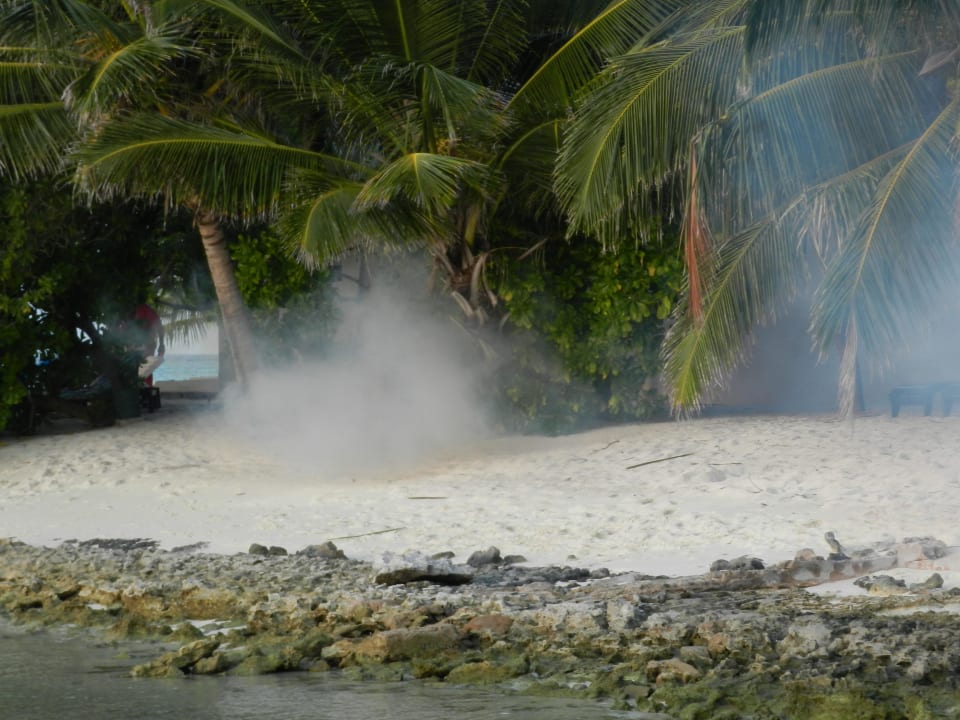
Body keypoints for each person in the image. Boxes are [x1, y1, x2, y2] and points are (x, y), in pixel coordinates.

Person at [129, 303, 165, 386]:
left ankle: (144, 389)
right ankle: (144, 388)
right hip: (142, 345)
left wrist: (161, 344)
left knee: (145, 369)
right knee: (144, 369)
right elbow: (159, 327)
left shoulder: (143, 310)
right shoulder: (146, 311)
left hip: (146, 344)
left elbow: (159, 327)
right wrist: (161, 344)